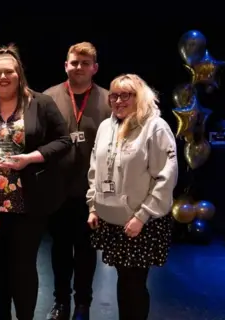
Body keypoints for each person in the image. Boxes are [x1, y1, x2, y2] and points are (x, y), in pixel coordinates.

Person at [0, 44, 72, 320]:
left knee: (23, 266)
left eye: (9, 71)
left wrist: (30, 158)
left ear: (19, 73)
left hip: (28, 200)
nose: (3, 77)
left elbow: (64, 140)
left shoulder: (40, 103)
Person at [86, 74, 178, 320]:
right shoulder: (107, 126)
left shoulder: (155, 127)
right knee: (124, 279)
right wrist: (93, 205)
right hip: (113, 220)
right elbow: (95, 168)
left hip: (141, 223)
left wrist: (142, 216)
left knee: (134, 284)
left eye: (125, 95)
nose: (118, 100)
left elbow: (165, 177)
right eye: (114, 95)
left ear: (141, 96)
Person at [43, 42, 111, 320]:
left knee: (85, 252)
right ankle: (61, 302)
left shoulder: (109, 100)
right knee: (59, 251)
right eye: (74, 63)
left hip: (92, 194)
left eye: (85, 63)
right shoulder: (48, 98)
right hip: (57, 190)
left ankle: (83, 304)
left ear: (94, 68)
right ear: (66, 65)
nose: (79, 67)